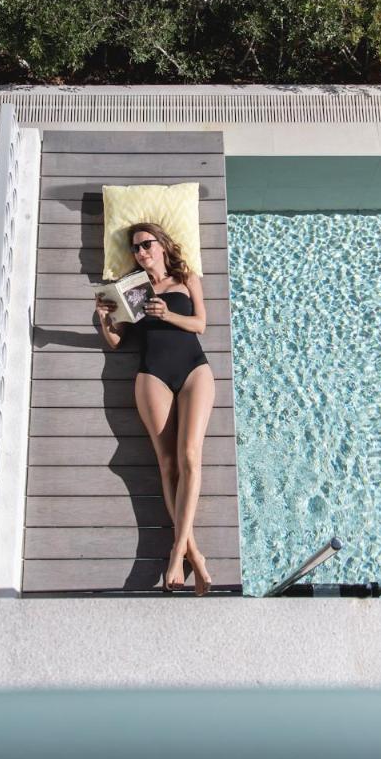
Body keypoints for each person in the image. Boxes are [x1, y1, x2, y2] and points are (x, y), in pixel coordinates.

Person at [95, 222, 215, 594]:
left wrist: (167, 314)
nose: (141, 252)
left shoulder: (186, 278)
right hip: (153, 375)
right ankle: (193, 551)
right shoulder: (133, 289)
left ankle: (177, 552)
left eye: (147, 244)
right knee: (167, 463)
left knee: (190, 456)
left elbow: (201, 324)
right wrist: (104, 317)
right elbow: (116, 342)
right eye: (135, 248)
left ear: (162, 245)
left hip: (194, 370)